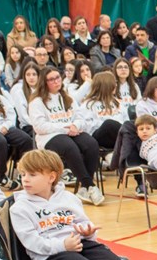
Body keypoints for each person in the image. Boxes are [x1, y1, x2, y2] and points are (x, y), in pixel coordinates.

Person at [29, 66, 103, 206]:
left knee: (91, 144)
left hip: (71, 132)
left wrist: (76, 126)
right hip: (49, 137)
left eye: (58, 77)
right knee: (70, 147)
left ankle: (85, 187)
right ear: (44, 82)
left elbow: (80, 117)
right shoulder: (37, 102)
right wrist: (65, 129)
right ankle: (89, 186)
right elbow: (39, 127)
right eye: (51, 79)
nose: (56, 81)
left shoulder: (68, 98)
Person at [81, 71, 125, 153]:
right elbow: (87, 126)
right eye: (113, 82)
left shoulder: (116, 102)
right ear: (106, 85)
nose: (116, 85)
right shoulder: (89, 104)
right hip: (99, 136)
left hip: (118, 135)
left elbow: (126, 120)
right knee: (109, 123)